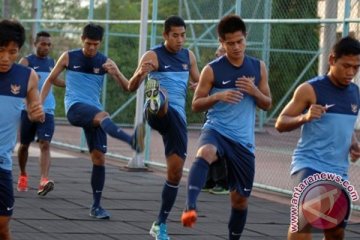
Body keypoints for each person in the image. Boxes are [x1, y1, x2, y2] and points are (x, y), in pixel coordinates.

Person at [180, 14, 272, 240]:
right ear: (222, 42)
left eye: (239, 42)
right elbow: (195, 105)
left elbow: (267, 103)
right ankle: (190, 206)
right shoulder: (212, 70)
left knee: (239, 201)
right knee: (206, 152)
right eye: (230, 43)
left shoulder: (258, 67)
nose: (236, 47)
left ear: (245, 38)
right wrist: (218, 96)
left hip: (243, 141)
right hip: (217, 130)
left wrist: (254, 91)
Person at [40, 23, 144, 219]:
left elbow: (128, 87)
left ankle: (96, 206)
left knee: (99, 158)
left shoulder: (105, 61)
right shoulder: (69, 57)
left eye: (96, 44)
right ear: (82, 40)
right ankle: (131, 140)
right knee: (104, 116)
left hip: (93, 112)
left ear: (100, 43)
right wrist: (39, 104)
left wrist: (116, 73)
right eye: (88, 43)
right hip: (75, 108)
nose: (91, 48)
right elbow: (49, 80)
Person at [275, 36, 360, 240]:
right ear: (332, 60)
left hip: (338, 170)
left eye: (356, 67)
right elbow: (280, 123)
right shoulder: (310, 89)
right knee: (306, 220)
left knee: (335, 231)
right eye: (346, 66)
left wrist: (354, 144)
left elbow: (345, 128)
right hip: (310, 163)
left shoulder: (355, 93)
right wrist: (304, 117)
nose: (351, 72)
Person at [128, 15, 200, 240]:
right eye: (175, 35)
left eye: (183, 35)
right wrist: (141, 73)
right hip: (156, 112)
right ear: (165, 35)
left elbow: (199, 85)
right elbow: (131, 86)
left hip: (177, 119)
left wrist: (199, 86)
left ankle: (159, 224)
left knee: (176, 173)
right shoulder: (152, 55)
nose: (180, 40)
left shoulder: (188, 56)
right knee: (160, 94)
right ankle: (155, 98)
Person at [0, 19, 45, 240]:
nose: (5, 58)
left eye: (12, 52)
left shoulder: (27, 77)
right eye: (0, 51)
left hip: (2, 163)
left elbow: (34, 109)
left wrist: (35, 113)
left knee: (2, 226)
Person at [17, 31, 65, 196]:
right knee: (24, 145)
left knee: (45, 144)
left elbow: (55, 80)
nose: (46, 47)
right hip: (28, 110)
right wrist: (29, 105)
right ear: (35, 44)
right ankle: (23, 174)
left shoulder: (53, 62)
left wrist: (71, 84)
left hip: (48, 110)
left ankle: (43, 180)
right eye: (43, 44)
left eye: (49, 44)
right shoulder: (26, 61)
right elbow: (18, 83)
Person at [202, 44, 229, 195]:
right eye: (217, 53)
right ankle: (209, 181)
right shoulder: (212, 70)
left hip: (223, 118)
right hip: (210, 114)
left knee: (218, 150)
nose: (217, 55)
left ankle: (222, 182)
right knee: (207, 147)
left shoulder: (233, 73)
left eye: (221, 53)